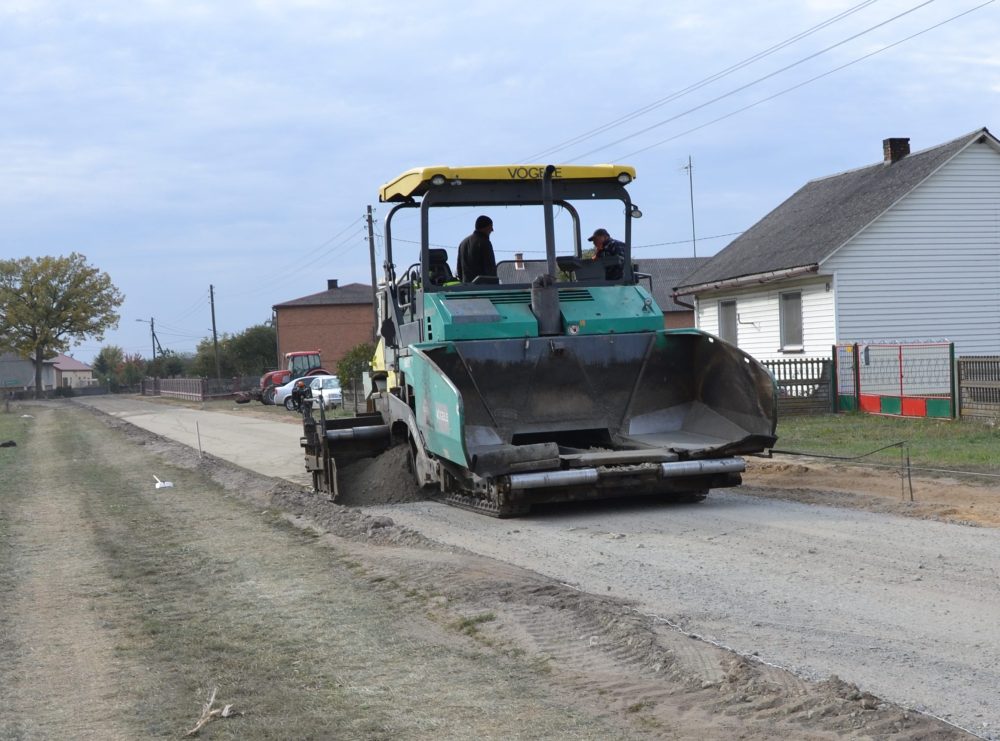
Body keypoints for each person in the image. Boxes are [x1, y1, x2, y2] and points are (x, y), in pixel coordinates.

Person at [457, 215, 497, 283]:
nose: (492, 230)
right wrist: (494, 285)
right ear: (485, 227)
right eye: (491, 226)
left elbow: (459, 269)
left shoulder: (463, 243)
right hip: (482, 288)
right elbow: (490, 268)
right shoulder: (484, 242)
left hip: (466, 288)